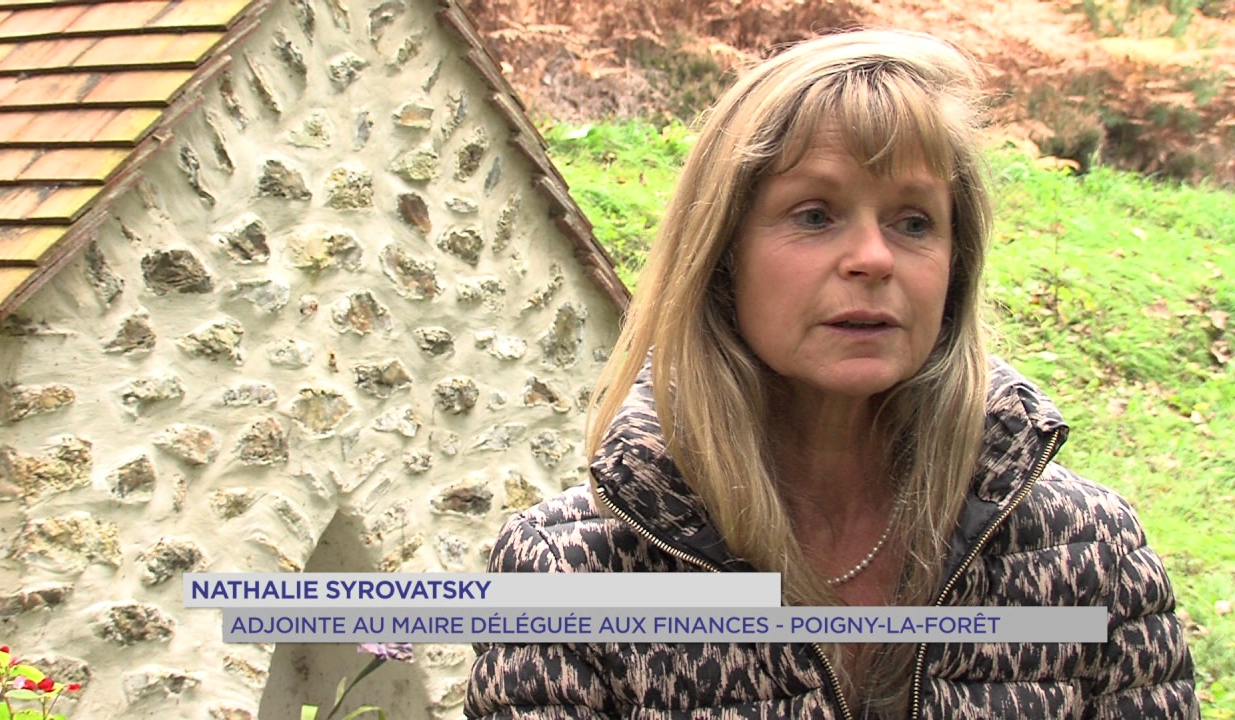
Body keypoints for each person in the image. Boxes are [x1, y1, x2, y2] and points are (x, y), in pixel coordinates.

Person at [464, 28, 1198, 719]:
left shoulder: (1088, 551)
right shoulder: (571, 572)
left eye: (914, 222)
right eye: (815, 215)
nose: (874, 259)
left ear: (956, 267)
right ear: (722, 257)